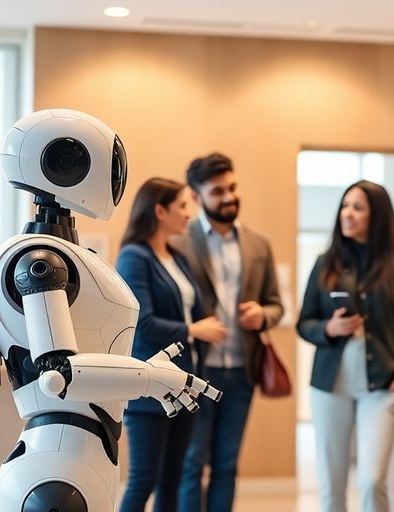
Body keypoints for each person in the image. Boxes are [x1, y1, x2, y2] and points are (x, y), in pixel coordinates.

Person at [296, 180, 394, 512]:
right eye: (344, 206)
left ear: (377, 215)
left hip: (382, 386)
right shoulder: (326, 262)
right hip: (330, 386)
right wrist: (329, 327)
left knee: (371, 480)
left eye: (357, 207)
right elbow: (304, 322)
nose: (347, 214)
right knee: (331, 486)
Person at [173, 153, 285, 512]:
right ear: (195, 196)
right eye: (218, 191)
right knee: (191, 464)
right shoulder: (178, 241)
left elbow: (275, 304)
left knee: (226, 464)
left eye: (232, 188)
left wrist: (262, 315)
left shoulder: (259, 245)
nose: (229, 197)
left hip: (241, 372)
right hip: (194, 370)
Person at [116, 177, 228, 512]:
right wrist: (194, 330)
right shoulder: (134, 257)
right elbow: (143, 322)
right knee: (143, 480)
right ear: (159, 211)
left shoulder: (177, 258)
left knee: (172, 480)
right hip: (150, 386)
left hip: (184, 383)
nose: (189, 214)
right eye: (182, 206)